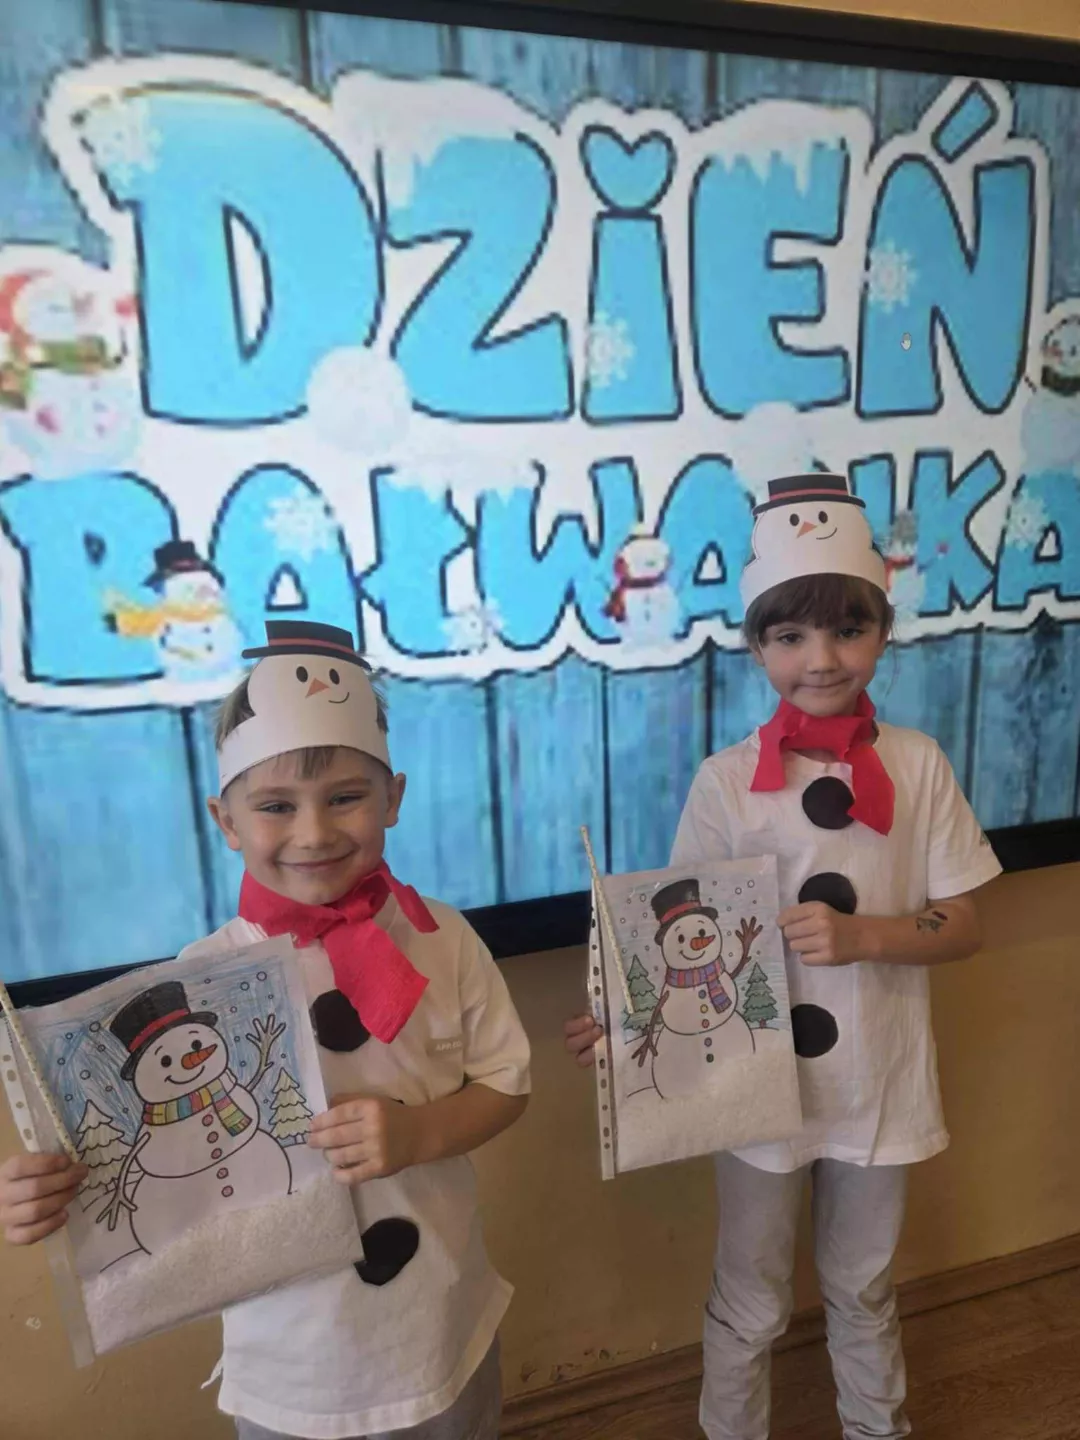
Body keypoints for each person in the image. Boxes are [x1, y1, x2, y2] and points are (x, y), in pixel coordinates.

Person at [0, 618, 530, 1440]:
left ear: (393, 797)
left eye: (346, 797)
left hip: (439, 1328)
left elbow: (506, 1083)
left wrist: (419, 1133)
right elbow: (139, 1163)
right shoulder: (198, 982)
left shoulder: (443, 937)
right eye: (276, 806)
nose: (314, 833)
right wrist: (47, 1194)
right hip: (291, 1364)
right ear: (226, 820)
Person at [565, 473, 1001, 1440]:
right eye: (791, 635)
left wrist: (866, 937)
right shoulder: (727, 783)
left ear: (882, 631)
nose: (822, 658)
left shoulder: (919, 765)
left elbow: (966, 922)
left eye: (847, 629)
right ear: (758, 643)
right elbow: (674, 938)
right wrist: (625, 1027)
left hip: (878, 1083)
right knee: (751, 1292)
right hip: (757, 1095)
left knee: (864, 1282)